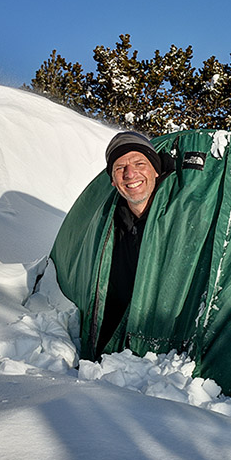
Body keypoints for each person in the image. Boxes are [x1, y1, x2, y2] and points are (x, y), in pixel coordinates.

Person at [97, 131, 172, 352]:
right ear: (112, 180)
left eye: (140, 163)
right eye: (120, 168)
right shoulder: (111, 225)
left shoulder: (175, 217)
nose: (130, 174)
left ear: (156, 171)